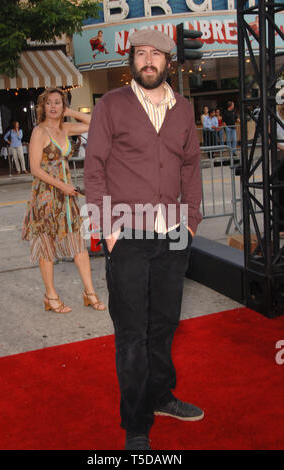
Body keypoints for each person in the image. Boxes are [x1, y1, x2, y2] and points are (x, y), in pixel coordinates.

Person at [84, 29, 204, 450]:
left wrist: (191, 222)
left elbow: (191, 167)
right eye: (141, 54)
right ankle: (136, 424)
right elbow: (93, 167)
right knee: (132, 332)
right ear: (131, 60)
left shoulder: (184, 109)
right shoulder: (111, 106)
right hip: (126, 232)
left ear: (168, 61)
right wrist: (108, 230)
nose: (148, 61)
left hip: (173, 232)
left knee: (165, 324)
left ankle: (161, 396)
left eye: (156, 54)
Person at [22, 87, 105, 313]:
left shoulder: (66, 128)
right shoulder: (39, 132)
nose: (53, 107)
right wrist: (62, 186)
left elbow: (96, 121)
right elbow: (35, 169)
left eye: (58, 103)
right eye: (49, 103)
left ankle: (89, 293)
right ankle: (51, 296)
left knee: (78, 244)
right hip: (46, 197)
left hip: (67, 199)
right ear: (43, 106)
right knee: (46, 247)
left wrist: (71, 111)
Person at [276, 103, 284, 237]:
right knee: (281, 192)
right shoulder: (275, 115)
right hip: (280, 155)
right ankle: (281, 226)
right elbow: (270, 136)